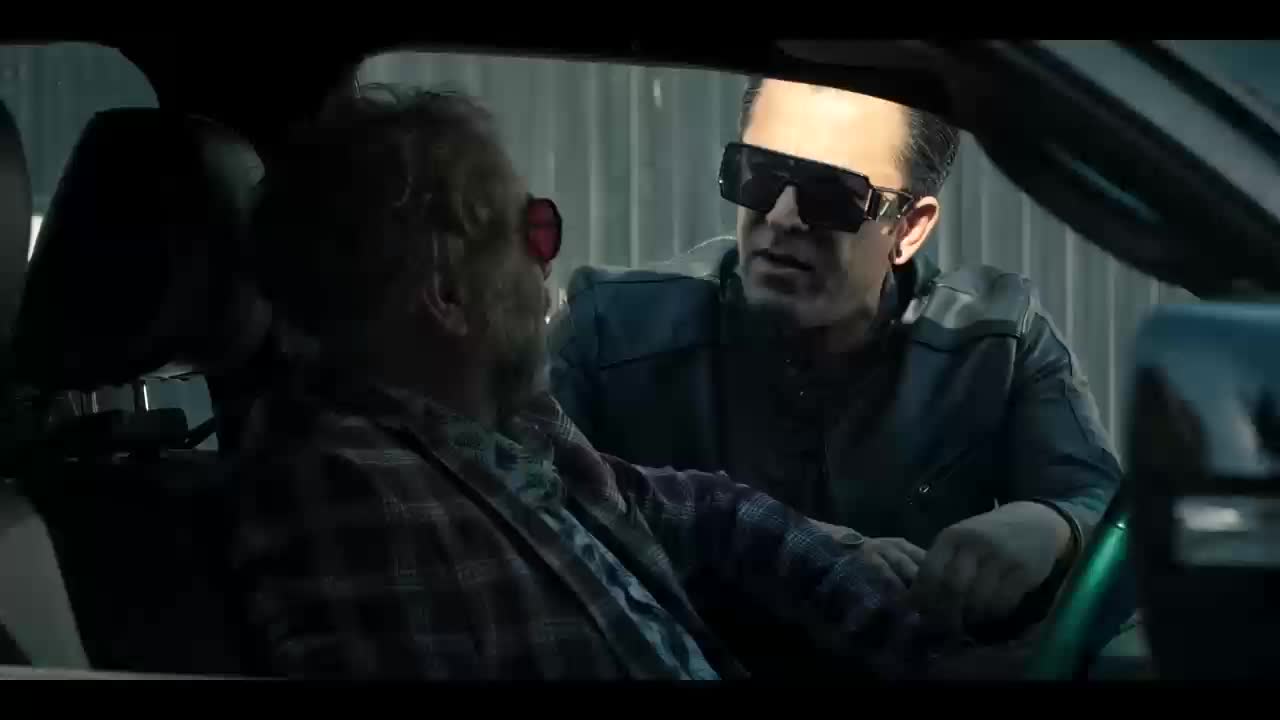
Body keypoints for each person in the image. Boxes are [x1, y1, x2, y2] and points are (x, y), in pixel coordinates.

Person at [230, 84, 1026, 681]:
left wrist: (907, 629)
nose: (548, 262)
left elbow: (708, 512)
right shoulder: (347, 490)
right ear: (447, 294)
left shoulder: (504, 432)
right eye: (532, 229)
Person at [548, 77, 1125, 657]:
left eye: (830, 195)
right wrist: (801, 547)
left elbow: (1108, 511)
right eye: (759, 175)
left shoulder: (995, 340)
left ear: (909, 228)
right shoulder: (610, 329)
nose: (782, 216)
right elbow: (528, 500)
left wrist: (1051, 529)